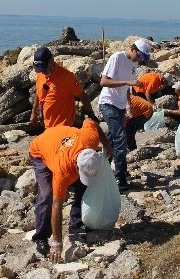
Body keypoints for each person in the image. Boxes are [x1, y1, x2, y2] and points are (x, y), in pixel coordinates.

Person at [28, 118, 113, 263]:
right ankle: (41, 236)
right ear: (76, 166)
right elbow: (57, 205)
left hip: (59, 137)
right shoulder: (63, 171)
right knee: (47, 194)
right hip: (39, 151)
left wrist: (106, 143)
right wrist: (57, 242)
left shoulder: (90, 139)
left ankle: (77, 222)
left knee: (84, 186)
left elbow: (90, 121)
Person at [98, 38, 151, 189]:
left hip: (121, 105)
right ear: (133, 49)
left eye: (142, 59)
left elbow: (127, 89)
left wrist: (128, 105)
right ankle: (119, 178)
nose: (140, 61)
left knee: (112, 139)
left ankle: (103, 170)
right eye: (140, 56)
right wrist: (127, 83)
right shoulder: (117, 58)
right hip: (108, 103)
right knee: (121, 138)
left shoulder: (134, 63)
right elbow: (104, 82)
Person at [30, 47, 97, 128]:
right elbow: (38, 91)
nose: (43, 71)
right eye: (40, 68)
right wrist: (34, 112)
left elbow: (82, 95)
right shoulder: (40, 74)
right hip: (48, 126)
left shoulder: (66, 77)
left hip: (65, 126)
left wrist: (91, 114)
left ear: (51, 60)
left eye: (44, 67)